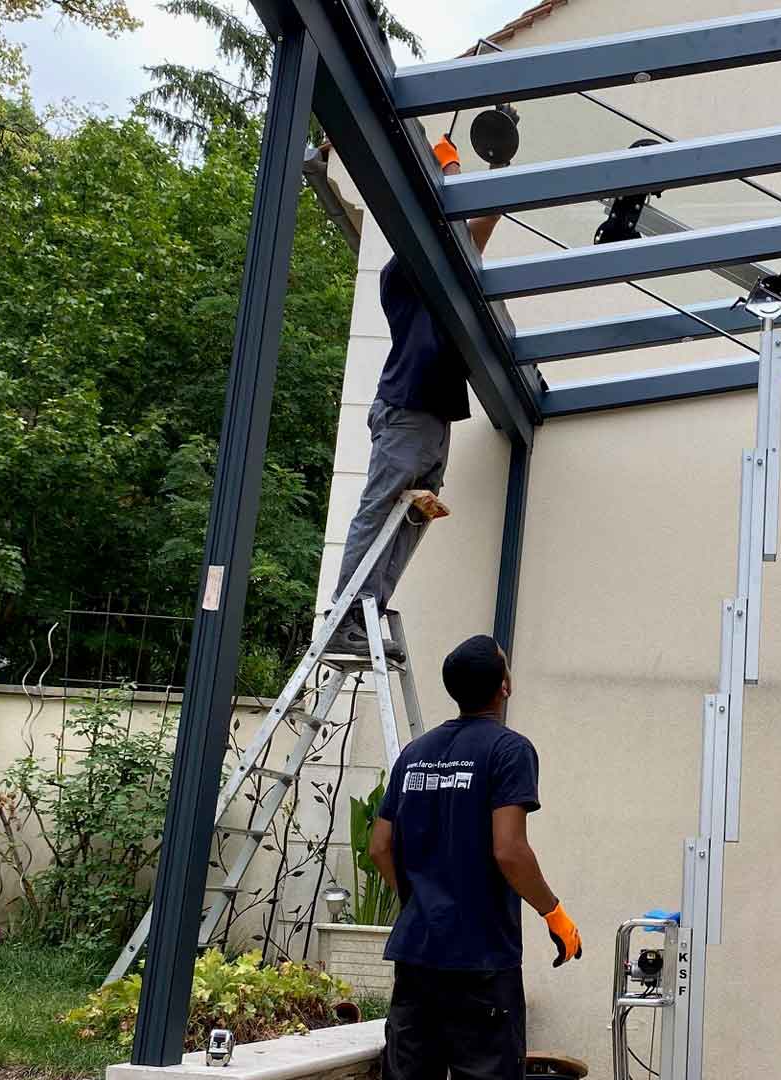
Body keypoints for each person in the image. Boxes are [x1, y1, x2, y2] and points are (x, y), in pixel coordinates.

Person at [368, 634, 581, 1080]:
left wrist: (420, 903)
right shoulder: (509, 751)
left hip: (417, 956)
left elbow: (380, 846)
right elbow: (510, 850)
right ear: (505, 685)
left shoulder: (415, 754)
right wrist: (555, 914)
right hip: (480, 962)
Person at [332, 135, 505, 661]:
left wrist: (497, 170)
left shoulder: (443, 276)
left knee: (411, 516)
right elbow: (446, 225)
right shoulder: (403, 273)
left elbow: (477, 230)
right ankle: (346, 616)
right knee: (380, 507)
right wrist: (446, 167)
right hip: (409, 410)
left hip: (432, 417)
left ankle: (369, 611)